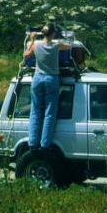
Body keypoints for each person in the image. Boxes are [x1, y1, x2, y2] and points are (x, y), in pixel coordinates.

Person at [23, 23, 72, 151]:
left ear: (43, 33)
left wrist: (32, 38)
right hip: (51, 79)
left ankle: (33, 143)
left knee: (35, 111)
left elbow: (26, 54)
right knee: (49, 112)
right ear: (53, 34)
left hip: (38, 78)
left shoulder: (36, 45)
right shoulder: (56, 46)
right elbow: (69, 46)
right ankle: (45, 144)